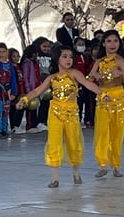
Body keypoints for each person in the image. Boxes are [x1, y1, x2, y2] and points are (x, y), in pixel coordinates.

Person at [16, 45, 108, 188]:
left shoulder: (75, 74)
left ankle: (76, 173)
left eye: (70, 57)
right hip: (55, 113)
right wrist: (25, 99)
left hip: (71, 113)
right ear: (56, 59)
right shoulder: (52, 78)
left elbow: (88, 84)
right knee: (54, 142)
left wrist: (102, 93)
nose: (68, 59)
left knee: (73, 142)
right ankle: (55, 178)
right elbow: (37, 90)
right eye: (64, 56)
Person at [87, 29, 124, 178]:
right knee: (102, 133)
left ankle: (116, 165)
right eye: (109, 41)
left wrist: (122, 74)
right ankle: (102, 164)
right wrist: (95, 75)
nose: (112, 44)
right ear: (104, 43)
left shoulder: (120, 60)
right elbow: (88, 79)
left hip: (119, 100)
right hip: (103, 99)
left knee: (117, 134)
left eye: (115, 41)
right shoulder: (99, 61)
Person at [0, 42, 17, 137]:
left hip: (7, 90)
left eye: (3, 52)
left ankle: (4, 128)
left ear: (7, 52)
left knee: (6, 110)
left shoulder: (10, 65)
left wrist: (14, 91)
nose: (1, 54)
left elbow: (13, 78)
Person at [21, 45, 41, 133]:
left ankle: (34, 123)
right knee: (30, 107)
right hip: (30, 89)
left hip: (36, 88)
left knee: (35, 106)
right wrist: (28, 89)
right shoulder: (26, 63)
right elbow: (25, 77)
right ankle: (29, 125)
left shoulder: (35, 63)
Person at [34, 36, 52, 131]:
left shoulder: (51, 57)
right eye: (44, 46)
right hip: (40, 83)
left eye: (48, 46)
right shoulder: (37, 57)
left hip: (49, 82)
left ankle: (44, 120)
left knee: (47, 102)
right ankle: (38, 121)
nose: (47, 48)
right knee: (39, 103)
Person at [8, 47, 26, 134]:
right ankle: (13, 126)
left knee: (21, 107)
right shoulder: (10, 67)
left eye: (17, 56)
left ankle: (17, 125)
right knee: (13, 108)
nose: (16, 58)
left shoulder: (19, 66)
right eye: (13, 56)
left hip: (21, 89)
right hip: (15, 90)